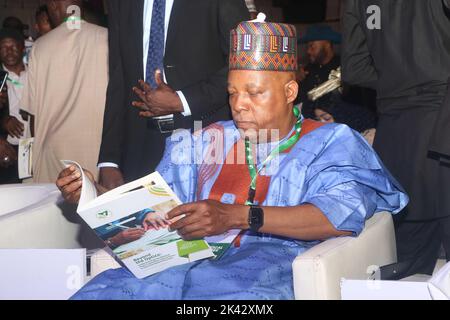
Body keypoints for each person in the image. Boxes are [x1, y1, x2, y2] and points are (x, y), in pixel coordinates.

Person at [56, 17, 407, 300]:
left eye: (254, 92)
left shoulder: (330, 142)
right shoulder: (204, 140)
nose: (239, 104)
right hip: (177, 268)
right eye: (232, 93)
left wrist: (237, 216)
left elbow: (340, 215)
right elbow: (158, 207)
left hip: (265, 271)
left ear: (289, 92)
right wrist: (94, 194)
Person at [342, 0, 450, 279]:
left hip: (396, 140)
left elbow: (354, 68)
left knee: (406, 274)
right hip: (442, 125)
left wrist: (397, 83)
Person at [97, 0, 250, 189]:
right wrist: (109, 160)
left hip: (202, 139)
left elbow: (242, 63)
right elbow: (118, 80)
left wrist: (182, 100)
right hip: (139, 146)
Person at [19, 0, 108, 183]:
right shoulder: (107, 38)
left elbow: (33, 113)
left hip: (54, 158)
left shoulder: (40, 46)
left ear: (53, 6)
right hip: (99, 152)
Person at [0, 28, 30, 183]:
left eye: (13, 46)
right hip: (9, 149)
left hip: (38, 146)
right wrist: (3, 121)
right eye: (3, 47)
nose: (9, 51)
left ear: (22, 48)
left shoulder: (36, 73)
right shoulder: (0, 78)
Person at [296, 25, 341, 119]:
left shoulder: (343, 69)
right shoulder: (307, 70)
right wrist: (296, 81)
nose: (308, 51)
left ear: (327, 44)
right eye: (308, 46)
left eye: (312, 46)